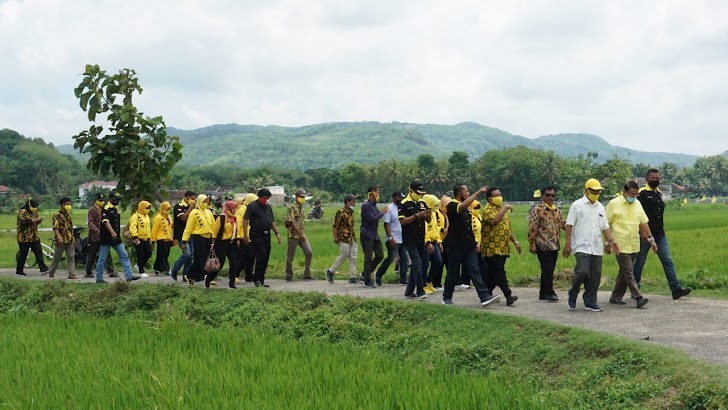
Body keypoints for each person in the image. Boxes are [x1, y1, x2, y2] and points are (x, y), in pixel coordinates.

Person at [633, 168, 692, 299]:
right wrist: (642, 233)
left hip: (659, 234)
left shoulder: (659, 193)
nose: (656, 181)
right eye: (653, 179)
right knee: (640, 262)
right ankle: (635, 289)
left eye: (658, 179)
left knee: (668, 260)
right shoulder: (642, 193)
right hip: (645, 235)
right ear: (647, 179)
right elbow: (637, 215)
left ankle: (675, 289)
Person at [562, 179, 619, 312]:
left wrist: (611, 242)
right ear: (586, 190)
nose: (596, 193)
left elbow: (605, 227)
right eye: (593, 190)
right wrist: (568, 244)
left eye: (598, 191)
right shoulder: (577, 205)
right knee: (582, 271)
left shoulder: (600, 207)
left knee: (595, 276)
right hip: (581, 245)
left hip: (596, 246)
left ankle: (590, 301)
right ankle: (573, 293)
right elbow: (569, 225)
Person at [441, 184, 500, 307]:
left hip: (468, 246)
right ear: (460, 194)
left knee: (475, 270)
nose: (468, 193)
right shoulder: (452, 205)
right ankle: (446, 297)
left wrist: (476, 243)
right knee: (453, 271)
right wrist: (478, 192)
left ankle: (484, 297)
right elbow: (462, 205)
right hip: (455, 245)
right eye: (466, 191)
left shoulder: (467, 209)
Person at [606, 181, 654, 308]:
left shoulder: (637, 204)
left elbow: (643, 222)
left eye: (636, 194)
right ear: (624, 192)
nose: (634, 196)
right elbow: (605, 224)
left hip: (634, 243)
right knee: (628, 271)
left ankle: (615, 297)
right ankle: (638, 297)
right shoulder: (614, 204)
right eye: (632, 194)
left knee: (624, 271)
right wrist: (608, 242)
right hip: (619, 243)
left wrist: (651, 239)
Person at [481, 187, 521, 305]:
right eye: (497, 195)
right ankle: (508, 295)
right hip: (492, 248)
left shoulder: (501, 210)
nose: (500, 197)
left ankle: (486, 293)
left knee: (494, 274)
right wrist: (505, 208)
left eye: (500, 194)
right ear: (490, 198)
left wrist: (515, 242)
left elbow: (507, 229)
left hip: (503, 247)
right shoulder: (487, 211)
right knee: (499, 272)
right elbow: (495, 221)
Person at [527, 185, 565, 302]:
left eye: (552, 195)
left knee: (548, 269)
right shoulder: (537, 210)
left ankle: (543, 292)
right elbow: (532, 227)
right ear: (542, 196)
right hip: (542, 243)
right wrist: (532, 243)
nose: (550, 197)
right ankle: (549, 292)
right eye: (547, 195)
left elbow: (563, 224)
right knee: (548, 268)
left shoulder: (557, 210)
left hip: (554, 244)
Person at [95, 191, 139, 283]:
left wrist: (116, 234)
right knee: (102, 258)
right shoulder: (106, 208)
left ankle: (129, 276)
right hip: (106, 237)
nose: (117, 201)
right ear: (110, 199)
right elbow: (105, 221)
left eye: (118, 200)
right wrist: (112, 232)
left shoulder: (115, 208)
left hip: (116, 238)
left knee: (124, 255)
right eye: (115, 199)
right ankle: (99, 278)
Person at [242, 188, 282, 287]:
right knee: (261, 255)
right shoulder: (252, 206)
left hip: (266, 234)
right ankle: (256, 279)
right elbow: (245, 220)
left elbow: (271, 221)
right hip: (256, 234)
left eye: (267, 198)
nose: (266, 200)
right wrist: (245, 235)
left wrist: (277, 233)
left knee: (266, 257)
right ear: (259, 197)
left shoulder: (268, 207)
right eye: (264, 198)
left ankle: (261, 278)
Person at [399, 181, 431, 300]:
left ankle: (409, 291)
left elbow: (427, 220)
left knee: (417, 265)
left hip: (420, 238)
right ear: (411, 191)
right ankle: (420, 290)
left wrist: (427, 215)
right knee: (417, 263)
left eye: (421, 193)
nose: (420, 195)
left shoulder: (422, 203)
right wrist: (417, 215)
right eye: (418, 193)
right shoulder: (404, 204)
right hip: (409, 239)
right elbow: (402, 221)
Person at [374, 192, 409, 286]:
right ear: (394, 198)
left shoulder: (402, 208)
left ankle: (403, 279)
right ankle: (378, 274)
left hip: (402, 238)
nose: (401, 199)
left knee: (405, 259)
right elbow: (386, 224)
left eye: (402, 197)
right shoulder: (390, 209)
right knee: (391, 258)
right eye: (399, 198)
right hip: (393, 238)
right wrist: (390, 237)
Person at [182, 194, 215, 287]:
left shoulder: (209, 212)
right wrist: (184, 241)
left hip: (208, 237)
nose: (205, 203)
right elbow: (188, 228)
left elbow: (213, 225)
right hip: (198, 237)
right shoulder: (194, 213)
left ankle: (190, 275)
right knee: (201, 259)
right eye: (203, 201)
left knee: (201, 259)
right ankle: (206, 277)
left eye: (206, 201)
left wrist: (213, 239)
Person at [324, 194, 359, 283]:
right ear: (347, 202)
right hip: (343, 237)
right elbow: (335, 226)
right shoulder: (340, 212)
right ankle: (330, 271)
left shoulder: (351, 212)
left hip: (352, 237)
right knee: (343, 255)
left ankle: (353, 276)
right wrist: (335, 237)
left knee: (353, 256)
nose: (354, 203)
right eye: (353, 201)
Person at [360, 186, 389, 288]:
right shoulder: (366, 205)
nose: (378, 194)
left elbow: (376, 215)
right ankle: (367, 280)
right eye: (377, 192)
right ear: (372, 193)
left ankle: (365, 273)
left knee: (380, 255)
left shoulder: (373, 205)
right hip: (367, 234)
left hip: (374, 234)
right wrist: (382, 212)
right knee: (368, 257)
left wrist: (380, 212)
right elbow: (373, 219)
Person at [285, 188, 314, 281]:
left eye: (304, 197)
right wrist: (299, 234)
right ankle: (289, 275)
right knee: (290, 256)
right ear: (296, 196)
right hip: (293, 235)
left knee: (309, 252)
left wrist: (301, 234)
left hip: (301, 234)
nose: (303, 199)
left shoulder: (302, 208)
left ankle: (307, 273)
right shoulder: (291, 207)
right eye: (301, 197)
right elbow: (291, 221)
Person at [46, 197, 78, 279]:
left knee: (71, 256)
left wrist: (73, 239)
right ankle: (51, 272)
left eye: (70, 204)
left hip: (69, 239)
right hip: (61, 239)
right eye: (67, 204)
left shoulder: (68, 215)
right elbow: (55, 228)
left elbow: (70, 229)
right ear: (62, 205)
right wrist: (59, 237)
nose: (69, 206)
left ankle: (72, 274)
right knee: (57, 257)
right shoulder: (57, 215)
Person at [16, 198, 49, 276]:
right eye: (34, 206)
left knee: (39, 252)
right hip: (24, 237)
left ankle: (43, 269)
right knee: (23, 254)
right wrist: (34, 220)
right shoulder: (22, 211)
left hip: (34, 236)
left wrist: (39, 221)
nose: (35, 208)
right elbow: (23, 223)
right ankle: (19, 271)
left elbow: (35, 222)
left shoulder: (35, 211)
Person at [85, 192, 115, 278]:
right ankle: (88, 271)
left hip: (104, 235)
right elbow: (90, 223)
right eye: (100, 200)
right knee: (92, 254)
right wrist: (97, 230)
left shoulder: (104, 210)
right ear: (95, 200)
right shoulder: (92, 210)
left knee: (107, 253)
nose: (101, 202)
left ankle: (110, 271)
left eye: (102, 200)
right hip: (94, 236)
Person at [212, 200, 240, 288]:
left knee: (234, 262)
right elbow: (215, 232)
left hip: (231, 243)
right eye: (233, 208)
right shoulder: (221, 218)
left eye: (235, 208)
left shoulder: (234, 218)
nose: (234, 210)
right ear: (228, 208)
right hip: (222, 243)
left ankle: (232, 283)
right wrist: (213, 244)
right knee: (220, 263)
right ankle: (209, 278)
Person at [170, 191, 196, 281]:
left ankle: (186, 275)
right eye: (192, 199)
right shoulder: (179, 206)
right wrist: (191, 207)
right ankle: (174, 269)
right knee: (186, 253)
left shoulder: (193, 207)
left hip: (191, 234)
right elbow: (183, 218)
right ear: (187, 198)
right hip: (181, 235)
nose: (194, 201)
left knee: (191, 256)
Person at [422, 194, 444, 295]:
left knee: (438, 261)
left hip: (434, 241)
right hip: (426, 243)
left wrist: (439, 242)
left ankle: (429, 281)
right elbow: (423, 231)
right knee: (425, 264)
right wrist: (427, 242)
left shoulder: (433, 214)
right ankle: (423, 285)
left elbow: (436, 230)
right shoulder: (423, 215)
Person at [235, 194, 257, 283]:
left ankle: (249, 276)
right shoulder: (242, 210)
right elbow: (239, 224)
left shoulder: (253, 210)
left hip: (252, 237)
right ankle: (235, 273)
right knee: (244, 257)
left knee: (251, 258)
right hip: (244, 237)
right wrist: (240, 237)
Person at [128, 200, 153, 278]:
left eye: (148, 208)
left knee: (148, 253)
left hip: (146, 238)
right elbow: (132, 227)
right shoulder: (136, 216)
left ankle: (139, 265)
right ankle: (141, 271)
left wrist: (150, 237)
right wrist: (135, 237)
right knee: (140, 254)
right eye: (146, 207)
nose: (147, 209)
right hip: (138, 238)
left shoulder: (147, 216)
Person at [151, 201, 174, 276]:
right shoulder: (158, 218)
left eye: (169, 209)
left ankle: (156, 267)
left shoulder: (169, 217)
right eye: (166, 209)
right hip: (161, 238)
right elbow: (155, 229)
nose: (168, 210)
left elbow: (171, 227)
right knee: (162, 255)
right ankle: (166, 269)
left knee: (164, 254)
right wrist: (153, 239)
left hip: (168, 238)